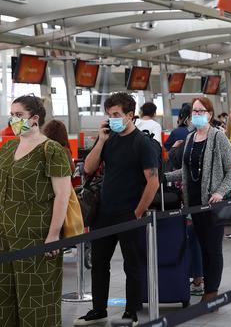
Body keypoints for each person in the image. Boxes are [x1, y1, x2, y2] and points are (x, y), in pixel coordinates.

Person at [0, 96, 71, 327]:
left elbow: (62, 195)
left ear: (35, 118)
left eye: (18, 115)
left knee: (36, 300)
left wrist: (53, 235)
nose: (13, 119)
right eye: (12, 114)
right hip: (1, 235)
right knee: (0, 298)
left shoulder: (51, 150)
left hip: (35, 236)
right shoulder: (9, 147)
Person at [75, 93, 160, 326]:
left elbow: (153, 181)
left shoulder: (142, 143)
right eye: (109, 115)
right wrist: (101, 140)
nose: (111, 119)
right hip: (104, 211)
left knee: (131, 264)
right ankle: (98, 309)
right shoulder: (109, 139)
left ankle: (131, 310)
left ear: (130, 115)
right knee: (99, 263)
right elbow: (89, 168)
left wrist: (137, 212)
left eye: (116, 115)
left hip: (128, 212)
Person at [166, 97, 231, 302]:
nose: (196, 114)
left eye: (201, 111)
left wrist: (220, 192)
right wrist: (164, 178)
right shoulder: (190, 138)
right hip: (194, 203)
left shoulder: (218, 137)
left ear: (210, 114)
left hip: (213, 204)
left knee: (212, 249)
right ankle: (206, 286)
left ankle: (211, 292)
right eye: (194, 111)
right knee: (200, 246)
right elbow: (186, 171)